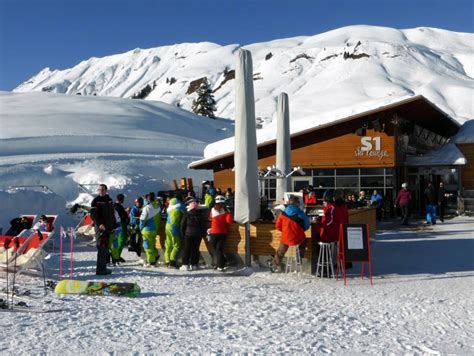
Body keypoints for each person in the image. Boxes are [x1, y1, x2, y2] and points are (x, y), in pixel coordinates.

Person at [273, 196, 310, 273]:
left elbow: (277, 226)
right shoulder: (301, 213)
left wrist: (285, 230)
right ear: (297, 203)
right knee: (304, 240)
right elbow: (307, 226)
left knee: (281, 250)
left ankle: (277, 265)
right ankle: (298, 257)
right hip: (298, 238)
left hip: (286, 237)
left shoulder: (283, 213)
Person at [91, 184, 117, 275]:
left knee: (106, 248)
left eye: (103, 189)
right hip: (101, 228)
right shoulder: (96, 201)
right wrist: (100, 224)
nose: (101, 191)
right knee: (101, 248)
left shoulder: (109, 200)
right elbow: (93, 215)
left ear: (106, 190)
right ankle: (100, 270)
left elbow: (112, 213)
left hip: (109, 227)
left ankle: (103, 268)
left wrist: (114, 224)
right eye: (99, 189)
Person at [180, 197, 206, 271]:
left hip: (188, 235)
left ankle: (185, 264)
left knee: (187, 249)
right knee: (195, 249)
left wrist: (182, 234)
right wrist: (202, 234)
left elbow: (183, 225)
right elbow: (203, 226)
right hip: (197, 235)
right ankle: (194, 264)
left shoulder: (187, 215)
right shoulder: (200, 216)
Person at [208, 195, 233, 271]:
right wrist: (228, 213)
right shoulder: (225, 211)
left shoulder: (212, 210)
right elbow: (229, 221)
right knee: (219, 249)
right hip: (223, 233)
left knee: (215, 249)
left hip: (214, 232)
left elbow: (209, 218)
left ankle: (221, 264)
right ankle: (222, 263)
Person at [139, 192, 161, 267]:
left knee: (147, 246)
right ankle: (156, 255)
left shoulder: (147, 208)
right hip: (154, 230)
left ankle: (151, 262)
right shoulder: (158, 207)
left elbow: (142, 220)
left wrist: (140, 228)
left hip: (146, 230)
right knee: (152, 245)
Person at [165, 196, 185, 268]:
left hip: (167, 226)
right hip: (174, 227)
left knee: (168, 244)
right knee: (177, 245)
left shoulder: (171, 204)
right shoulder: (180, 206)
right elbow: (185, 214)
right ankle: (172, 261)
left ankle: (167, 261)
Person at [113, 193, 128, 264]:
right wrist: (126, 213)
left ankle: (116, 255)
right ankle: (117, 256)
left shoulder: (114, 205)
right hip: (121, 225)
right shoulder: (118, 207)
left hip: (116, 225)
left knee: (117, 241)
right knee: (121, 241)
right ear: (121, 199)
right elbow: (122, 216)